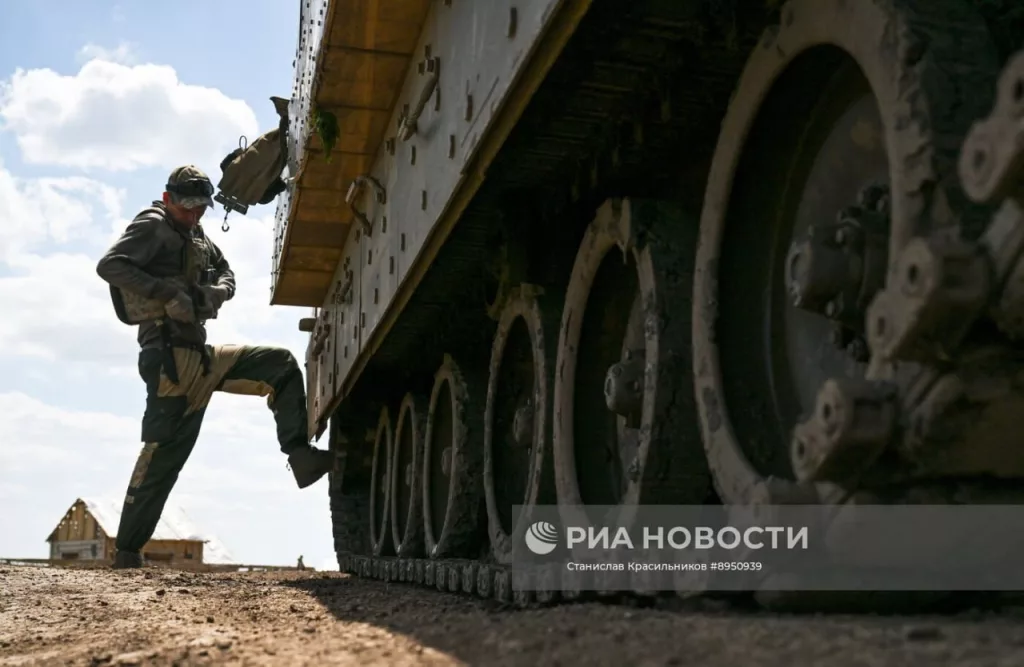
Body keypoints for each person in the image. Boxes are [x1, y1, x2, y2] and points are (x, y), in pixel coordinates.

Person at [96, 164, 334, 569]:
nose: (194, 216)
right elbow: (110, 265)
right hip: (168, 358)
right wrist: (166, 292)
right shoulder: (153, 224)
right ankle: (127, 552)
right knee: (163, 456)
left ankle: (299, 455)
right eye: (187, 208)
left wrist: (217, 293)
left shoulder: (196, 232)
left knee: (278, 365)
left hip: (202, 356)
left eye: (200, 209)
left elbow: (227, 273)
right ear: (169, 198)